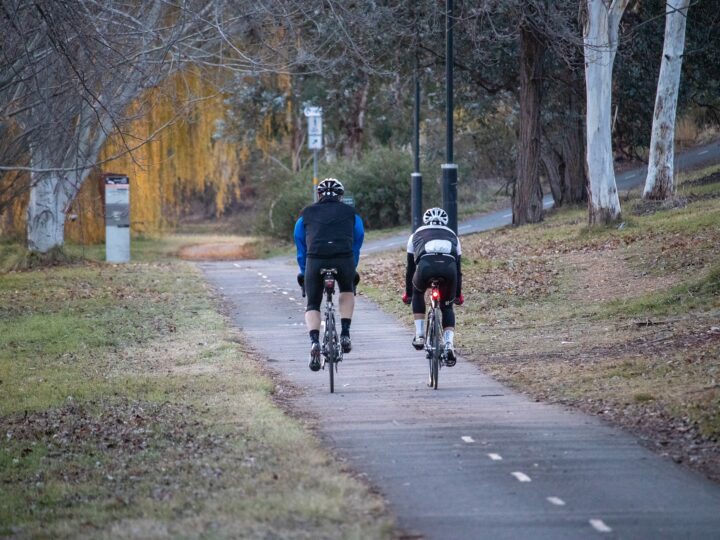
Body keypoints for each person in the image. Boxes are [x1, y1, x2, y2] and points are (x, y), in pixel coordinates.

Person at [294, 178, 365, 371]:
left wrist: (304, 270)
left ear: (319, 195)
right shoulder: (352, 214)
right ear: (341, 197)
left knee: (313, 303)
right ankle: (345, 334)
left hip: (315, 259)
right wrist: (352, 266)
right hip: (343, 259)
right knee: (347, 290)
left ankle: (315, 342)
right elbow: (357, 241)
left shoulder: (306, 214)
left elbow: (300, 245)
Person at [402, 207, 464, 366]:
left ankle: (420, 335)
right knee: (447, 307)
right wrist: (457, 295)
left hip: (425, 268)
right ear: (444, 222)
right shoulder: (453, 236)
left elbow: (410, 270)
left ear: (426, 221)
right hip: (449, 271)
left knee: (418, 293)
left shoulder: (415, 235)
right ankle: (449, 344)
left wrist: (408, 294)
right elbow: (458, 270)